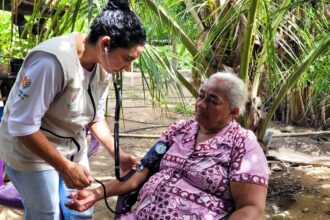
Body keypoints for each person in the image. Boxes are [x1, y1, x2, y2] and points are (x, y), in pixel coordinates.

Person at [0, 0, 146, 219]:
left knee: (81, 211)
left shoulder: (103, 64)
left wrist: (118, 155)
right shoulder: (51, 62)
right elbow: (22, 126)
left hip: (71, 146)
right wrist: (65, 167)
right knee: (45, 212)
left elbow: (95, 117)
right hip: (30, 149)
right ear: (105, 44)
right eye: (127, 59)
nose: (128, 68)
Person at [65, 72, 271, 219]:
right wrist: (96, 193)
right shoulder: (180, 130)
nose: (201, 104)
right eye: (201, 95)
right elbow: (140, 170)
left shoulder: (243, 144)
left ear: (233, 112)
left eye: (212, 101)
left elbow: (252, 209)